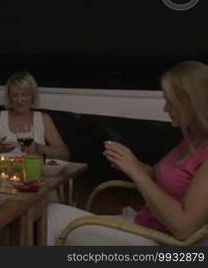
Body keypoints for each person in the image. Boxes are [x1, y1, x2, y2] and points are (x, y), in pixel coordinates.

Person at [47, 61, 208, 245]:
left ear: (192, 103)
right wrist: (129, 162)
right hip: (142, 224)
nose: (165, 109)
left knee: (52, 215)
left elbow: (183, 227)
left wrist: (136, 172)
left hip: (158, 241)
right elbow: (156, 176)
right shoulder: (190, 140)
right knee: (54, 213)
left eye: (170, 103)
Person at [0, 71, 69, 160]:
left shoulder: (43, 119)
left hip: (35, 171)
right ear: (9, 97)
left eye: (24, 95)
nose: (19, 100)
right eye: (14, 95)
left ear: (32, 96)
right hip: (4, 172)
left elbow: (64, 154)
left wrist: (37, 148)